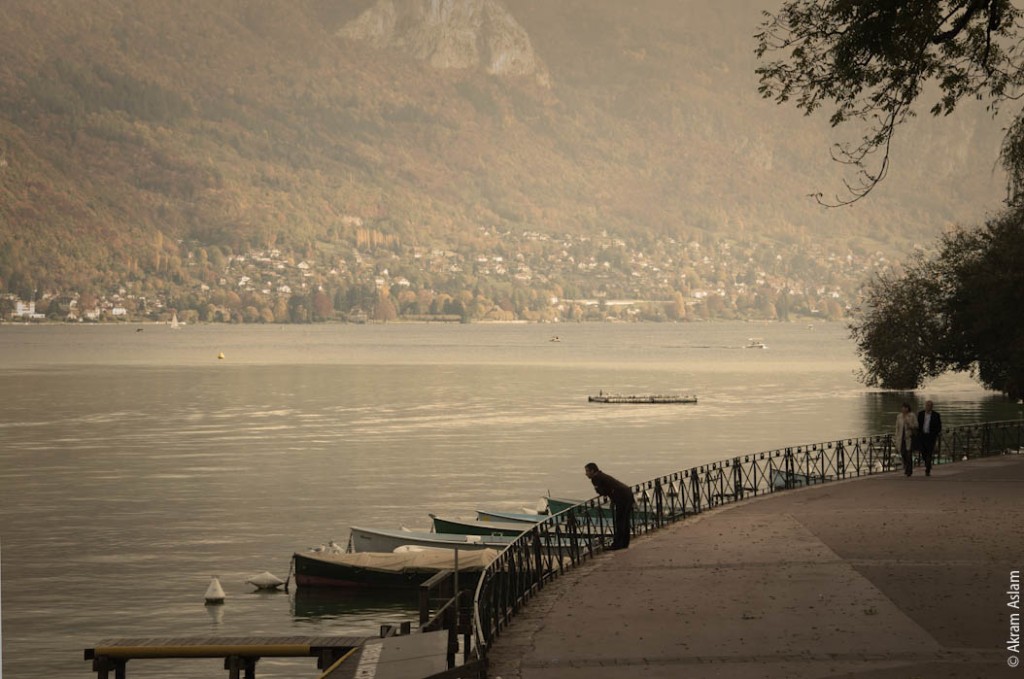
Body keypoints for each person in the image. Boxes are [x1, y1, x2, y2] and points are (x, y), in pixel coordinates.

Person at [584, 462, 635, 550]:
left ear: (592, 471)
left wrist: (597, 489)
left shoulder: (596, 478)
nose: (586, 474)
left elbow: (602, 492)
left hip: (621, 497)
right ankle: (624, 543)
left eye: (587, 471)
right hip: (627, 493)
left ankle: (618, 544)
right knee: (625, 520)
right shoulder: (601, 475)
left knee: (620, 521)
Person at [917, 400, 942, 476]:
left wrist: (935, 433)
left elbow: (939, 426)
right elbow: (918, 424)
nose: (928, 407)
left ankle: (927, 469)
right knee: (923, 452)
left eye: (930, 405)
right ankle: (928, 463)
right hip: (922, 436)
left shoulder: (936, 415)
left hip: (931, 436)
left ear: (932, 407)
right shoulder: (921, 414)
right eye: (927, 405)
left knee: (929, 452)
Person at [895, 402, 918, 476]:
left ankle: (909, 470)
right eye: (903, 407)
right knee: (903, 453)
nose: (904, 409)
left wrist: (909, 424)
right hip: (901, 438)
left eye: (905, 407)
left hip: (909, 437)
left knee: (909, 454)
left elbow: (916, 425)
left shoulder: (912, 416)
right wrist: (896, 437)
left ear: (908, 408)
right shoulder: (899, 416)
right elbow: (897, 428)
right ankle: (906, 467)